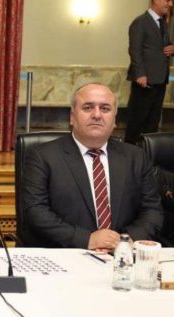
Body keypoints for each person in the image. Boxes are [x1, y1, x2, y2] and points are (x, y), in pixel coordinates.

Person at [22, 83, 162, 250]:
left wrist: (126, 241)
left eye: (105, 109)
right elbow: (36, 212)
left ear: (114, 119)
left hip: (121, 255)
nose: (97, 115)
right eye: (88, 108)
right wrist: (86, 240)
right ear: (72, 117)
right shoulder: (42, 156)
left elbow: (152, 210)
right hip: (65, 253)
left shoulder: (136, 157)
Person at [125, 0, 174, 145]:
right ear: (156, 0)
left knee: (153, 122)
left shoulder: (162, 23)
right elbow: (135, 50)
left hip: (160, 80)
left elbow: (162, 48)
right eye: (168, 0)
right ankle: (129, 153)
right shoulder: (140, 22)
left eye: (172, 1)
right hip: (145, 80)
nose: (171, 4)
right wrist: (140, 74)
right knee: (137, 120)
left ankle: (148, 154)